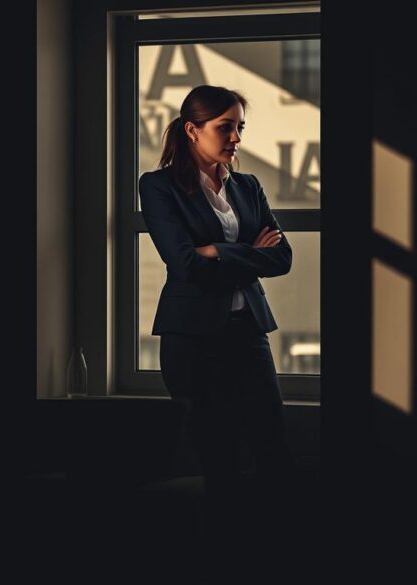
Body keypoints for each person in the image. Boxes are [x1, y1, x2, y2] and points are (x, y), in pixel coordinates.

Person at [138, 85, 297, 541]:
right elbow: (184, 263)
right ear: (193, 130)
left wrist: (220, 252)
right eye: (225, 127)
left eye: (239, 127)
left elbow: (282, 258)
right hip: (193, 340)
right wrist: (247, 251)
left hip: (248, 332)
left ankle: (285, 551)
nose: (236, 138)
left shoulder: (248, 186)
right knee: (217, 458)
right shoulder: (159, 185)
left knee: (274, 450)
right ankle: (221, 557)